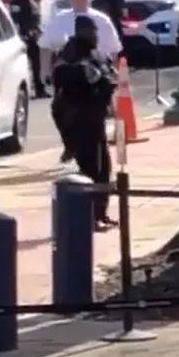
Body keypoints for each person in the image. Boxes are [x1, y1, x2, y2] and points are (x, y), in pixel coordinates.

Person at [51, 16, 117, 231]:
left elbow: (110, 76)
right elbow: (61, 78)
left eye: (95, 31)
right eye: (91, 31)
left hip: (96, 118)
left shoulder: (98, 54)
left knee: (103, 168)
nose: (95, 35)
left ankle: (101, 212)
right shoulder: (70, 54)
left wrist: (106, 81)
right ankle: (89, 216)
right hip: (78, 119)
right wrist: (84, 74)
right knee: (89, 168)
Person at [42, 0, 123, 59]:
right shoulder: (59, 18)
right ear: (71, 1)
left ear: (89, 1)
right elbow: (45, 47)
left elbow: (114, 50)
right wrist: (45, 73)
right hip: (66, 67)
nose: (79, 2)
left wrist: (114, 71)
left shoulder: (102, 20)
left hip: (96, 66)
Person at [10, 0, 47, 98]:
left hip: (33, 35)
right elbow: (16, 19)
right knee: (29, 63)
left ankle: (38, 88)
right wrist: (24, 33)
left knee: (36, 63)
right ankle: (33, 88)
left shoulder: (30, 0)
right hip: (25, 37)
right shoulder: (18, 1)